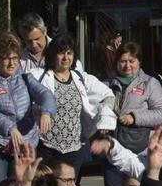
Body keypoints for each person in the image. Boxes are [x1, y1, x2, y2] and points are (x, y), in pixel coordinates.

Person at [35, 36, 116, 176]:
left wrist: (105, 119)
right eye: (61, 53)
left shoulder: (81, 78)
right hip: (46, 147)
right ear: (53, 55)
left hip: (74, 149)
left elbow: (108, 95)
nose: (66, 57)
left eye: (69, 53)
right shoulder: (38, 76)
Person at [0, 33, 56, 186]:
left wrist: (46, 112)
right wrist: (10, 128)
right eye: (6, 58)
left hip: (25, 145)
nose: (11, 63)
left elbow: (45, 94)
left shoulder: (26, 78)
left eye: (15, 58)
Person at [107, 42, 162, 156]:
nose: (127, 65)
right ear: (116, 63)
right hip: (113, 148)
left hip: (139, 149)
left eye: (131, 61)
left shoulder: (150, 83)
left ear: (139, 62)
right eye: (123, 61)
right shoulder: (109, 85)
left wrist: (134, 117)